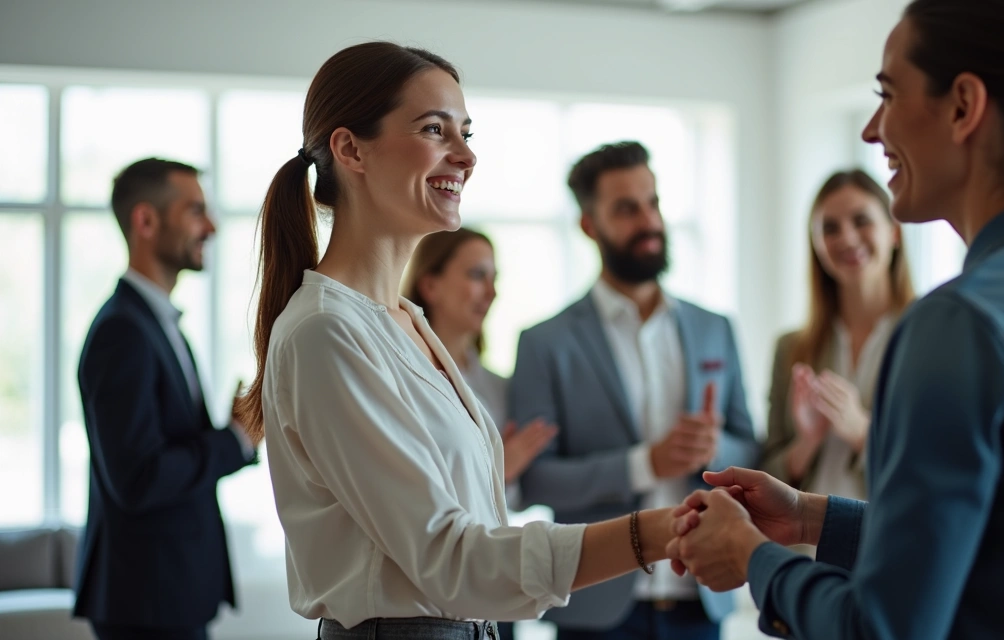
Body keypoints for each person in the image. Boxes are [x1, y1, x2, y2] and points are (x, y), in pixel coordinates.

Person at [665, 1, 1004, 638]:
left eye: (889, 94)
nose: (872, 130)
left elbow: (884, 628)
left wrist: (752, 558)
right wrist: (808, 518)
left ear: (963, 106)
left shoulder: (959, 324)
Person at [234, 43, 679, 640]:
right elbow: (449, 558)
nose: (466, 156)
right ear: (349, 149)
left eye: (466, 132)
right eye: (434, 129)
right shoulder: (325, 331)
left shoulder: (406, 321)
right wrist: (655, 533)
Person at [510, 141, 760, 640]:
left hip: (701, 598)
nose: (649, 221)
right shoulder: (544, 343)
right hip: (596, 606)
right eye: (626, 209)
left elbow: (751, 445)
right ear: (589, 224)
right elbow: (534, 479)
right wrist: (645, 464)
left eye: (653, 203)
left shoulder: (716, 328)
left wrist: (716, 450)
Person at [74, 158, 257, 640]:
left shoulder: (151, 323)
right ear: (146, 221)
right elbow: (138, 478)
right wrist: (234, 440)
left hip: (164, 594)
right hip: (145, 601)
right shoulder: (123, 332)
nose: (212, 226)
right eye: (195, 210)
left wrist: (232, 430)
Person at [401, 227, 558, 640]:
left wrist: (506, 473)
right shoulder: (400, 376)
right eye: (476, 275)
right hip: (422, 597)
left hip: (496, 577)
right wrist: (498, 466)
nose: (490, 292)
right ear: (429, 283)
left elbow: (516, 498)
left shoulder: (500, 387)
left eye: (494, 279)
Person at [760, 169, 915, 504]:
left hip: (890, 544)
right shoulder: (791, 348)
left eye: (861, 220)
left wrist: (862, 432)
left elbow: (939, 466)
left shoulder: (929, 338)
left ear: (894, 232)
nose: (846, 238)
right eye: (829, 228)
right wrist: (807, 442)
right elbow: (765, 469)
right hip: (805, 551)